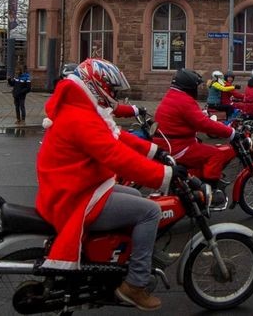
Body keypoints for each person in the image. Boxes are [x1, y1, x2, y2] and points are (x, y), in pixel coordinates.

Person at [36, 59, 175, 311]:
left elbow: (118, 136)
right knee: (150, 211)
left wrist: (156, 152)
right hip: (75, 195)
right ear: (96, 85)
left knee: (133, 193)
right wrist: (165, 176)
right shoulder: (80, 117)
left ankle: (108, 259)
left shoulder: (81, 108)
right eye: (111, 90)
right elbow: (116, 155)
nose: (113, 96)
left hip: (77, 184)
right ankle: (135, 284)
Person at [152, 69, 235, 207]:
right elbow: (203, 124)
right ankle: (211, 192)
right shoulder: (184, 100)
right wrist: (230, 132)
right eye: (195, 86)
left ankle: (197, 182)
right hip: (178, 145)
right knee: (215, 154)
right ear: (189, 86)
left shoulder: (173, 95)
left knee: (202, 147)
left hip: (169, 142)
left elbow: (190, 118)